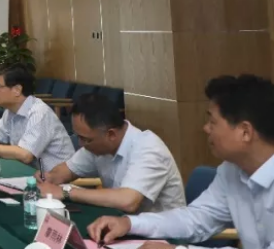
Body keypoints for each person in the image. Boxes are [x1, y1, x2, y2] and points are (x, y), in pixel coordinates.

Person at [88, 75, 274, 249]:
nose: (206, 128)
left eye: (212, 122)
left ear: (245, 132)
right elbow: (197, 218)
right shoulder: (231, 170)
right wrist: (130, 223)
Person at [37, 92, 186, 214]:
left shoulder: (148, 148)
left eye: (85, 139)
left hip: (165, 235)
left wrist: (65, 192)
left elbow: (128, 201)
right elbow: (66, 171)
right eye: (79, 137)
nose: (81, 144)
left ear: (111, 134)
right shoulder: (97, 147)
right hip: (125, 224)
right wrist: (49, 177)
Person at [0, 64, 74, 173]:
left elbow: (25, 155)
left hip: (57, 179)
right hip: (32, 173)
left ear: (17, 90)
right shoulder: (10, 111)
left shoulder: (39, 113)